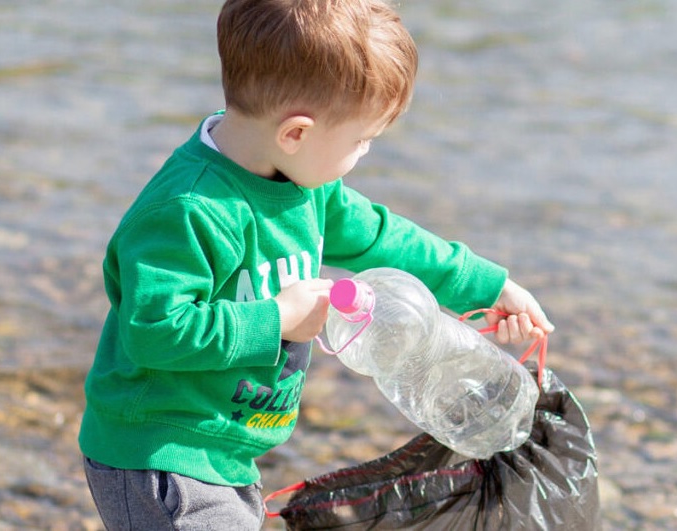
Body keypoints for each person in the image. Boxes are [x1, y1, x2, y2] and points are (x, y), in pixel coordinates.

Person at [78, 0, 555, 529]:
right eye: (360, 140)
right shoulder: (190, 211)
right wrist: (275, 319)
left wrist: (487, 284)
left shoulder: (306, 187)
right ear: (296, 133)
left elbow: (382, 236)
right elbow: (154, 329)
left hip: (227, 449)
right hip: (159, 451)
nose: (365, 153)